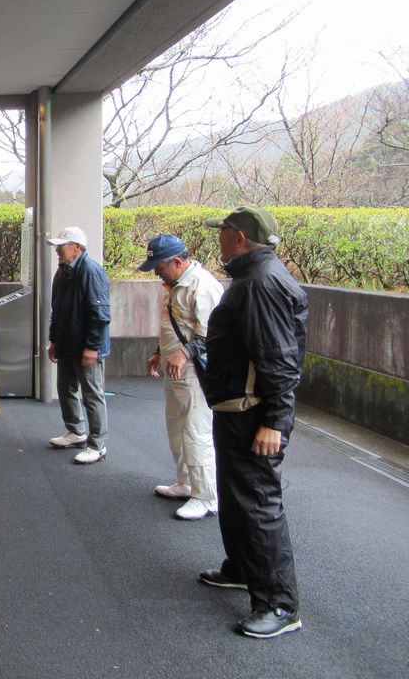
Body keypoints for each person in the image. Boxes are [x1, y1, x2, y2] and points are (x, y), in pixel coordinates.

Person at [198, 207, 308, 639]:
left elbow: (278, 358)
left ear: (239, 237)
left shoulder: (261, 282)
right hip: (238, 409)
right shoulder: (254, 277)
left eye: (222, 232)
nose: (218, 238)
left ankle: (280, 605)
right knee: (237, 496)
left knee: (259, 504)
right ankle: (242, 568)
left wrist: (275, 420)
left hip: (252, 413)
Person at [139, 233, 224, 520]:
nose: (156, 273)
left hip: (195, 372)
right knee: (177, 427)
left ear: (176, 261)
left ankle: (206, 496)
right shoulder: (177, 284)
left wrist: (184, 353)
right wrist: (159, 352)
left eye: (159, 267)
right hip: (176, 369)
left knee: (195, 431)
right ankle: (186, 483)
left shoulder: (202, 285)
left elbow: (214, 332)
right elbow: (174, 324)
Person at [46, 226, 111, 464]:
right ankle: (76, 431)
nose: (57, 251)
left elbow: (100, 314)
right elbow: (57, 310)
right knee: (65, 388)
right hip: (67, 343)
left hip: (86, 346)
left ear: (76, 247)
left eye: (61, 247)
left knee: (92, 394)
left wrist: (92, 347)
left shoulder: (92, 271)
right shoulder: (62, 272)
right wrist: (54, 341)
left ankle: (97, 445)